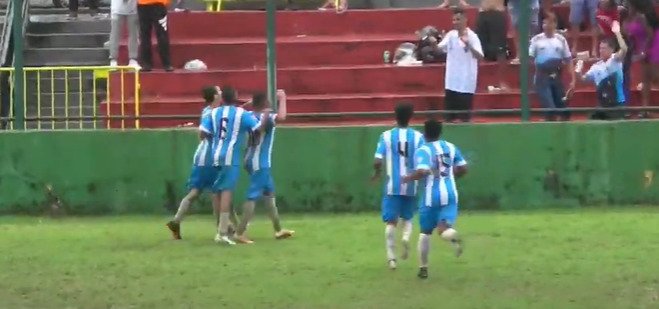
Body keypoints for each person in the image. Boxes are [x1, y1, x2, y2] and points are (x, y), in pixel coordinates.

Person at [199, 87, 270, 245]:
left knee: (217, 191)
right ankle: (222, 232)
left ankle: (220, 228)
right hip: (230, 156)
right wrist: (266, 115)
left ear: (222, 98)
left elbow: (202, 133)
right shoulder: (241, 114)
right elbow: (258, 130)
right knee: (226, 191)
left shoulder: (214, 113)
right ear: (236, 96)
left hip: (215, 154)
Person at [402, 119, 468, 280]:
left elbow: (422, 172)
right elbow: (463, 168)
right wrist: (451, 175)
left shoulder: (423, 150)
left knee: (425, 233)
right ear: (440, 132)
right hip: (451, 194)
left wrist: (408, 178)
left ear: (425, 133)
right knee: (443, 228)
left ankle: (423, 268)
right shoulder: (451, 147)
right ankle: (453, 236)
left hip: (431, 197)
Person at [234, 90, 295, 244]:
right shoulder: (265, 117)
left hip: (250, 158)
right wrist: (283, 98)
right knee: (253, 196)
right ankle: (239, 232)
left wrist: (250, 103)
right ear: (265, 104)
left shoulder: (248, 116)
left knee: (269, 195)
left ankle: (278, 229)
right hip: (259, 162)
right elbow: (282, 117)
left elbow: (241, 108)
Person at [371, 103, 424, 270]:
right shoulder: (418, 137)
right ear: (411, 116)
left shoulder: (386, 136)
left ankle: (392, 259)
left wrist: (377, 174)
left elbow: (378, 160)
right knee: (407, 218)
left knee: (390, 223)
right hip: (411, 184)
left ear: (395, 116)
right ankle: (406, 238)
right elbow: (424, 160)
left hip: (393, 185)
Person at [166, 86, 221, 240]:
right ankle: (221, 230)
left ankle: (176, 221)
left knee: (195, 192)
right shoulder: (211, 113)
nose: (221, 93)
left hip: (202, 156)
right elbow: (203, 133)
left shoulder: (208, 112)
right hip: (209, 157)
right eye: (219, 91)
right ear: (215, 96)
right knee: (216, 193)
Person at [434, 8, 484, 123]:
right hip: (451, 82)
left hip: (466, 83)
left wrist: (468, 44)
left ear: (465, 20)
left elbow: (480, 57)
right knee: (448, 118)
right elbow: (438, 50)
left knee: (464, 119)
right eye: (454, 20)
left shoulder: (472, 36)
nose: (455, 22)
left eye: (458, 19)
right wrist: (432, 43)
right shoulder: (451, 35)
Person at [530, 13, 576, 121]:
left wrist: (573, 80)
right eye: (544, 22)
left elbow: (568, 60)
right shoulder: (536, 40)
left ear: (555, 24)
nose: (546, 25)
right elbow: (530, 59)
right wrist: (534, 76)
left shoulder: (561, 40)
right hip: (542, 76)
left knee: (564, 110)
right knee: (550, 109)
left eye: (549, 22)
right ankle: (548, 123)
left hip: (557, 75)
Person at [577, 20, 628, 118]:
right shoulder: (596, 66)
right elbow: (582, 80)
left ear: (612, 49)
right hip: (602, 104)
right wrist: (579, 65)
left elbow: (624, 49)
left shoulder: (615, 60)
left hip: (617, 103)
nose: (601, 51)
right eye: (600, 48)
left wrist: (617, 32)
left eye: (604, 48)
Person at [624, 0, 659, 118]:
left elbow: (650, 34)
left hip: (654, 43)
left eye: (628, 5)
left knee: (655, 76)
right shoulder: (629, 18)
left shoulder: (641, 17)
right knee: (645, 78)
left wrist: (644, 51)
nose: (626, 7)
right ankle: (645, 109)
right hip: (641, 46)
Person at [476, 0, 510, 91]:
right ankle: (480, 82)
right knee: (478, 48)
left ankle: (502, 82)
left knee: (500, 49)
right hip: (482, 12)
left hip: (497, 12)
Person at [138, 0, 173, 72]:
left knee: (145, 35)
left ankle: (146, 64)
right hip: (156, 4)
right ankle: (166, 64)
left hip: (146, 5)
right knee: (161, 34)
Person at [109, 0, 140, 68]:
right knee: (115, 34)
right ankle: (113, 59)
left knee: (133, 34)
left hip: (133, 8)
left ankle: (133, 59)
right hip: (117, 9)